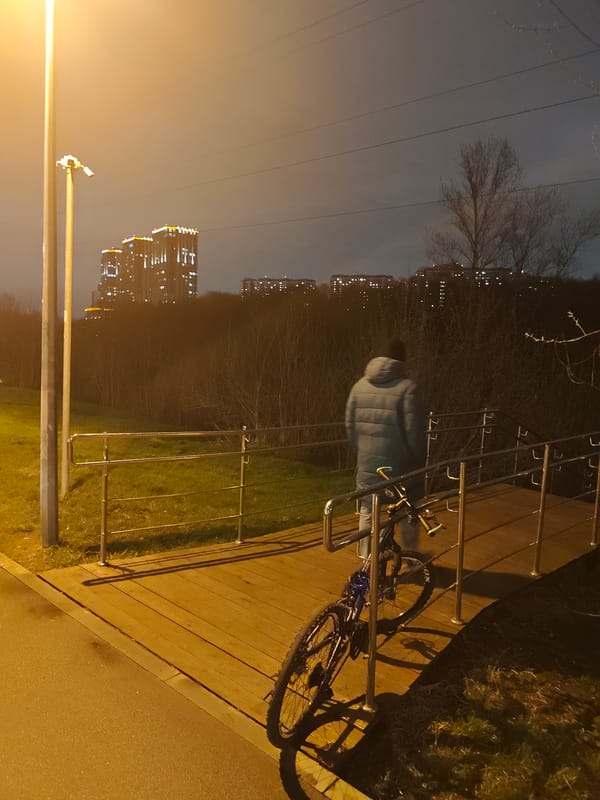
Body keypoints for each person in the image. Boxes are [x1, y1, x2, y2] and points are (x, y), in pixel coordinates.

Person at [345, 335, 427, 556]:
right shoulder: (408, 389)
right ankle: (411, 559)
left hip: (368, 465)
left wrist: (362, 453)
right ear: (402, 361)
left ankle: (365, 559)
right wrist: (421, 462)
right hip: (400, 468)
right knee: (408, 510)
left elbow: (350, 427)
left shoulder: (359, 386)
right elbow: (415, 434)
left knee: (368, 509)